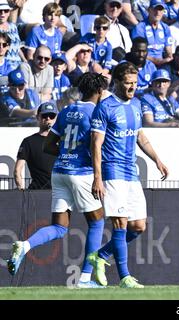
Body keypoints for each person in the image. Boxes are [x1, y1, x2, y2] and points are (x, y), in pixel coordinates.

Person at [7, 73, 109, 289]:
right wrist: (95, 173)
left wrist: (67, 152)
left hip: (60, 171)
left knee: (59, 227)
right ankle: (84, 279)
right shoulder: (97, 112)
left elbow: (48, 146)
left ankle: (24, 246)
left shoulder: (66, 110)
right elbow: (96, 146)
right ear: (99, 92)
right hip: (81, 173)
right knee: (97, 221)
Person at [88, 62, 169, 288]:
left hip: (131, 173)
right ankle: (124, 278)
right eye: (127, 83)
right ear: (117, 82)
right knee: (120, 224)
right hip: (112, 171)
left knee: (139, 226)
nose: (132, 87)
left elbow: (140, 137)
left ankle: (101, 256)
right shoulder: (105, 107)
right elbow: (96, 144)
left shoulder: (135, 104)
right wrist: (97, 177)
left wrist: (157, 159)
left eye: (134, 83)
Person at [13, 101, 57, 191]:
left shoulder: (63, 141)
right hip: (38, 193)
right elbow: (17, 170)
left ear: (56, 118)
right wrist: (21, 191)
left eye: (51, 116)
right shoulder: (28, 142)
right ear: (38, 117)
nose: (48, 118)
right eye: (44, 116)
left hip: (60, 193)